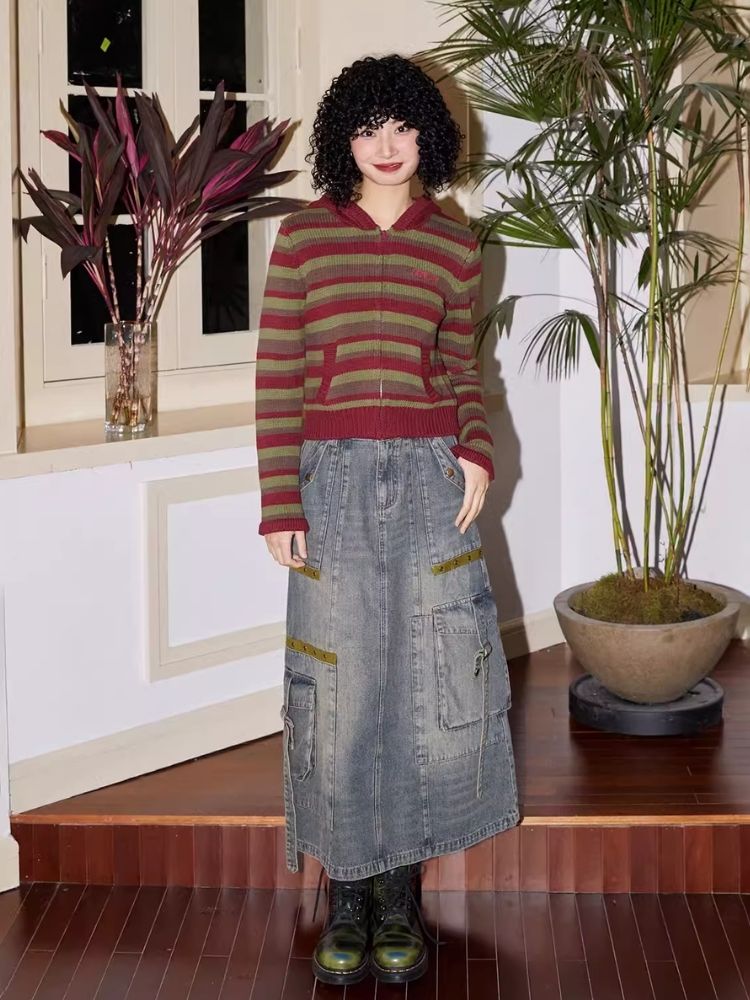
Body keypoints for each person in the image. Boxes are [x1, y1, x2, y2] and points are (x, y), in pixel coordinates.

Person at [254, 53, 519, 987]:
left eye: (404, 126)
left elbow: (460, 370)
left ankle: (399, 891)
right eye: (368, 128)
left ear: (428, 135)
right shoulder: (302, 239)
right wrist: (278, 500)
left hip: (431, 481)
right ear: (344, 140)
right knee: (341, 686)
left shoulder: (453, 243)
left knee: (425, 677)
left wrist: (476, 446)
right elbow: (278, 375)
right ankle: (349, 891)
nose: (388, 145)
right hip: (330, 485)